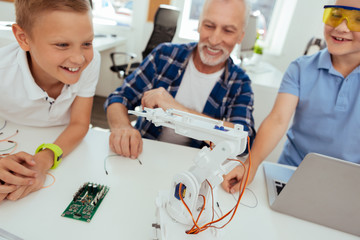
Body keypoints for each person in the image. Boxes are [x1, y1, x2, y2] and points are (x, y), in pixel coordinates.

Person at [222, 0, 360, 193]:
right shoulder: (301, 68)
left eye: (357, 19)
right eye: (335, 15)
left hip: (350, 185)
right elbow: (278, 120)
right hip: (292, 173)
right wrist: (250, 165)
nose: (341, 27)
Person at [105, 0, 255, 160]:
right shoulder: (164, 55)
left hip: (195, 169)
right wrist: (122, 127)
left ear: (240, 37)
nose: (214, 40)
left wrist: (177, 110)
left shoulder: (239, 83)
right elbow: (118, 97)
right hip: (142, 156)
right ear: (198, 25)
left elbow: (244, 142)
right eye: (209, 26)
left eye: (228, 31)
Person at [0, 0, 100, 201]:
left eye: (87, 43)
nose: (79, 59)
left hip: (64, 146)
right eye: (62, 45)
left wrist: (45, 159)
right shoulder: (3, 70)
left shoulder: (92, 61)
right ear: (23, 38)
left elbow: (80, 123)